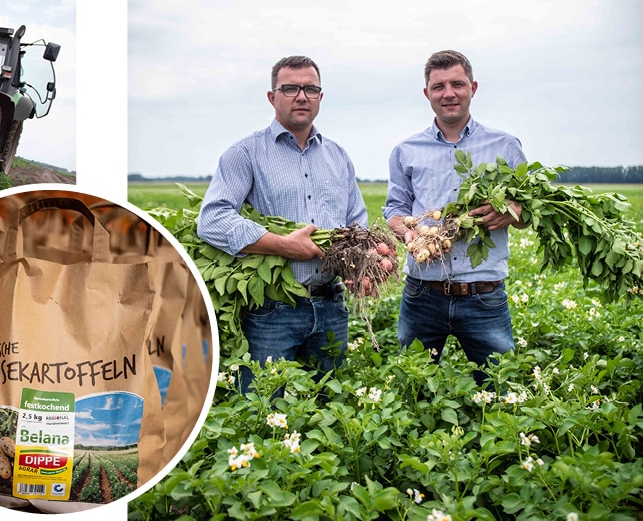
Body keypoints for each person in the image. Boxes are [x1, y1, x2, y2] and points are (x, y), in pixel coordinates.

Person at [196, 55, 368, 394]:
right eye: (290, 88)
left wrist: (362, 263)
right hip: (272, 309)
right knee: (264, 404)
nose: (301, 96)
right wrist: (283, 245)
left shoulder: (338, 156)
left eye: (310, 89)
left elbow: (356, 223)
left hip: (331, 305)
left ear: (320, 97)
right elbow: (212, 219)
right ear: (272, 97)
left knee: (328, 405)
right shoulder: (245, 153)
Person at [383, 49, 528, 385]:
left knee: (498, 388)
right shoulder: (406, 151)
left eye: (457, 84)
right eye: (439, 86)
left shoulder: (505, 146)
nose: (448, 93)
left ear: (472, 88)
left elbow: (527, 213)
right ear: (427, 94)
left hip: (484, 295)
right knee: (413, 389)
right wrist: (407, 233)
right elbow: (394, 209)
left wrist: (511, 211)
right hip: (422, 292)